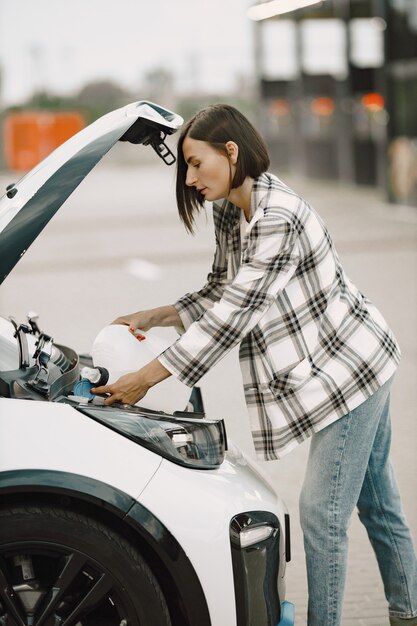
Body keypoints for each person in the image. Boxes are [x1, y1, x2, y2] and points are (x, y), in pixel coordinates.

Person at [91, 104, 417, 626]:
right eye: (185, 168)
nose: (191, 178)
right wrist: (156, 315)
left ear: (232, 152)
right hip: (336, 363)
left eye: (197, 164)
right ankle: (409, 612)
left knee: (321, 513)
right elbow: (222, 290)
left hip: (353, 368)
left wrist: (145, 378)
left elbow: (235, 316)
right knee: (378, 503)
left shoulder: (279, 217)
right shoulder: (230, 209)